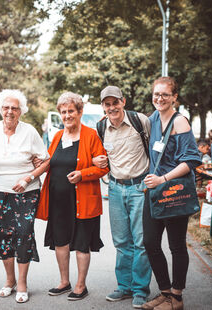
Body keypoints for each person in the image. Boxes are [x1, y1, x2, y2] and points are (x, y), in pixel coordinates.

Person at [36, 91, 109, 301]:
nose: (67, 115)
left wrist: (83, 175)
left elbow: (103, 168)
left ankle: (80, 285)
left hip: (83, 200)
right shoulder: (58, 135)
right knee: (60, 242)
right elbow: (49, 161)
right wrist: (35, 167)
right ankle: (64, 281)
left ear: (80, 112)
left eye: (71, 111)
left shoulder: (91, 135)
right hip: (59, 201)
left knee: (81, 243)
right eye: (64, 112)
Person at [0, 89, 50, 303]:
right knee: (2, 236)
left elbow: (46, 160)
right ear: (0, 109)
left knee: (23, 234)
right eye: (6, 107)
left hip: (26, 192)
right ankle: (9, 280)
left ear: (21, 111)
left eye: (14, 108)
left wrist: (28, 178)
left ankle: (22, 282)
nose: (10, 111)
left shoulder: (29, 131)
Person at [141, 77, 201, 310]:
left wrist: (163, 178)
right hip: (154, 192)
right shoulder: (152, 119)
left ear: (175, 97)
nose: (159, 98)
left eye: (165, 94)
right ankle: (165, 292)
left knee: (176, 245)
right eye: (156, 94)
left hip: (174, 191)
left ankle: (176, 297)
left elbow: (192, 159)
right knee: (150, 242)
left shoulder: (180, 122)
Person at [92, 86, 152, 308]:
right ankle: (124, 287)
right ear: (103, 107)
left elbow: (156, 150)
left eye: (115, 102)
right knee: (121, 241)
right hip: (115, 189)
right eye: (107, 104)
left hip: (140, 188)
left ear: (123, 101)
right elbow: (98, 156)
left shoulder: (140, 121)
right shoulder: (101, 127)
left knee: (141, 241)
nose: (112, 107)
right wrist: (95, 161)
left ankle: (140, 290)